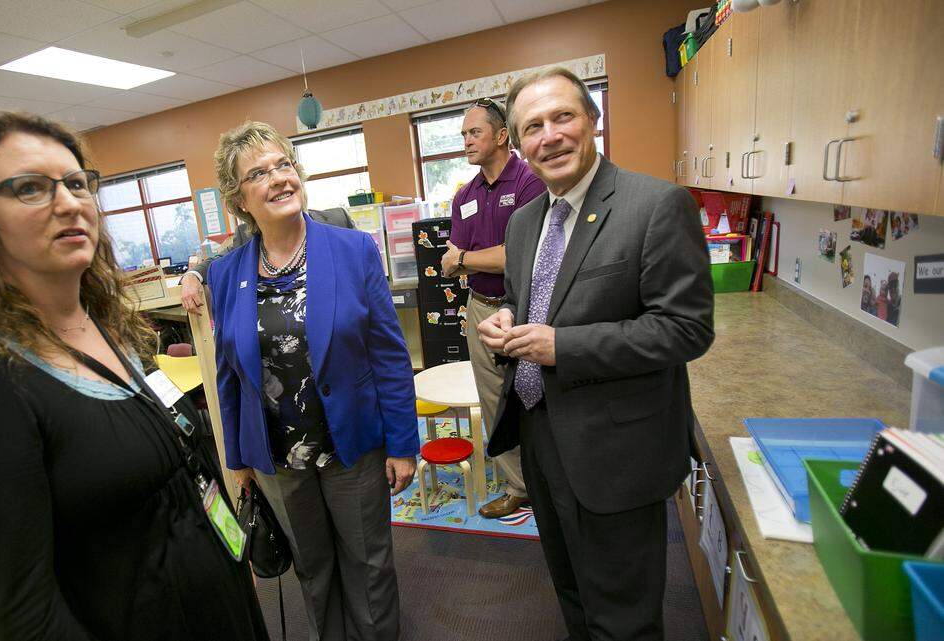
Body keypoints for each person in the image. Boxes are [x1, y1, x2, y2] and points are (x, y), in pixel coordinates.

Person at [0, 111, 269, 641]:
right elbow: (26, 617)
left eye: (76, 183)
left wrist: (230, 563)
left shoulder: (105, 326)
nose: (69, 202)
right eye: (29, 188)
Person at [477, 67, 714, 641]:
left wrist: (563, 347)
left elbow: (686, 329)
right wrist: (509, 318)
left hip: (616, 448)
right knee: (572, 591)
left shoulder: (656, 204)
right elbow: (526, 298)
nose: (549, 136)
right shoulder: (524, 221)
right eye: (532, 126)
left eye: (563, 117)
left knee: (624, 615)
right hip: (540, 434)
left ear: (592, 121)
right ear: (519, 142)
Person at [207, 120, 419, 641]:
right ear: (239, 200)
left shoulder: (352, 250)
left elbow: (390, 357)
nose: (279, 179)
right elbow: (230, 376)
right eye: (259, 173)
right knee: (312, 568)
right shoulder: (223, 274)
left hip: (352, 446)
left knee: (368, 565)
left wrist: (403, 444)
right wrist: (239, 460)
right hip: (279, 459)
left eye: (284, 165)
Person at [441, 97, 545, 519]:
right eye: (463, 134)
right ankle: (519, 489)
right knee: (492, 402)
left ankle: (550, 479)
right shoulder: (464, 195)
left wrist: (466, 260)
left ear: (502, 135)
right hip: (479, 307)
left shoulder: (529, 183)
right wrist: (466, 259)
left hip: (525, 307)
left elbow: (520, 255)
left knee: (536, 397)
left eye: (474, 133)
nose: (466, 142)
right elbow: (450, 256)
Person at [179, 206, 355, 312]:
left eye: (284, 166)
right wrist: (192, 275)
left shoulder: (338, 221)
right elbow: (219, 260)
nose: (279, 180)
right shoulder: (247, 235)